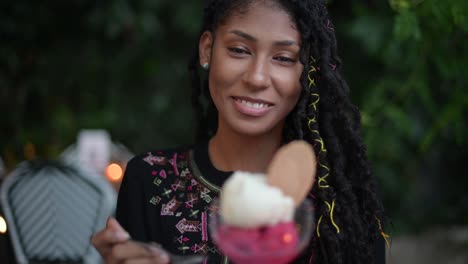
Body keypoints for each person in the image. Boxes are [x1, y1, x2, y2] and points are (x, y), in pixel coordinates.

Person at [91, 0, 388, 263]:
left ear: (308, 71)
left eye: (283, 58)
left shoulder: (340, 205)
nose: (257, 78)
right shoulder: (150, 180)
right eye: (239, 50)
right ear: (207, 49)